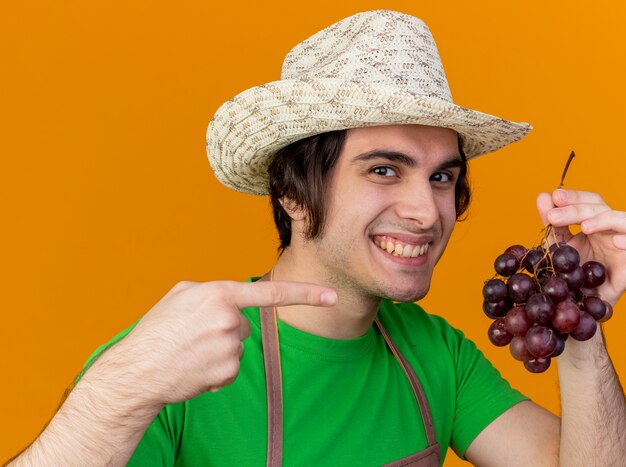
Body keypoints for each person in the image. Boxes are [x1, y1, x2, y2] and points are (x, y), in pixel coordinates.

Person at [8, 9, 626, 467]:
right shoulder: (171, 364)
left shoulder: (436, 355)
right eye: (383, 169)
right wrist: (124, 387)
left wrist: (578, 323)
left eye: (442, 176)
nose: (425, 210)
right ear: (294, 192)